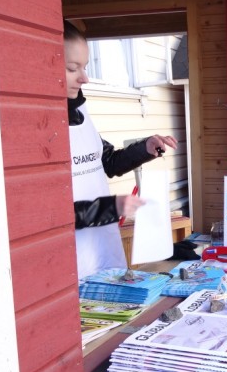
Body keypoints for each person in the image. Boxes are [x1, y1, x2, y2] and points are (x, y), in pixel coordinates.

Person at [64, 21, 177, 279]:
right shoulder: (41, 127)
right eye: (73, 69)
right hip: (73, 263)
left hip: (103, 250)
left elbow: (107, 161)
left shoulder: (81, 111)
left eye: (84, 67)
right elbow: (52, 216)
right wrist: (111, 207)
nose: (84, 78)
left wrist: (145, 148)